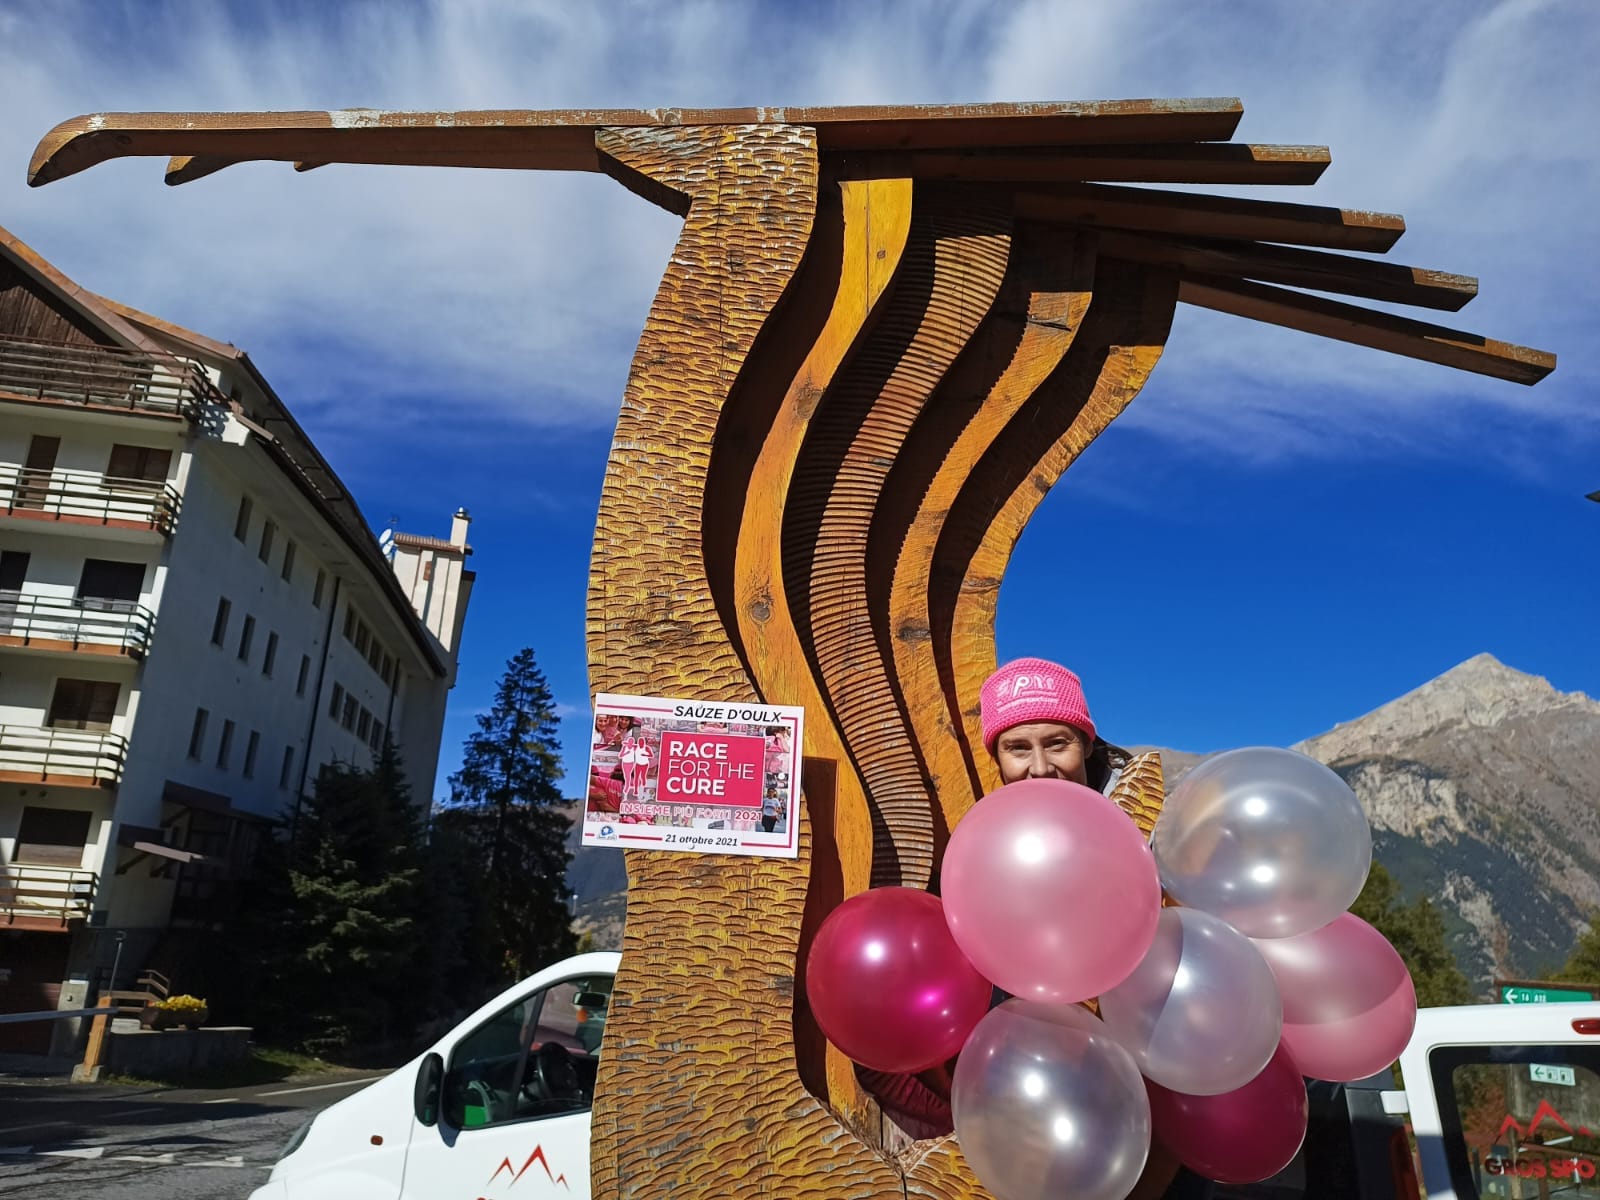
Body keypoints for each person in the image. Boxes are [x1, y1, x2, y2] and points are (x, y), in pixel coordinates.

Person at [980, 656, 1130, 795]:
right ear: (998, 759)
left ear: (1086, 745)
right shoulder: (985, 815)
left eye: (1056, 744)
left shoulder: (1137, 810)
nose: (1041, 770)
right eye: (1019, 748)